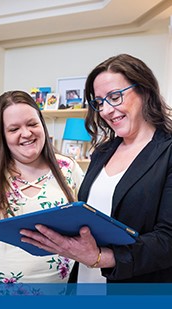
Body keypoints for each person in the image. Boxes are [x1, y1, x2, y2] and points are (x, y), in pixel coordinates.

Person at [20, 54, 172, 283]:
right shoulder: (102, 152)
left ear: (145, 91)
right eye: (100, 102)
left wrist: (102, 257)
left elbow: (167, 240)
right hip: (85, 280)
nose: (106, 110)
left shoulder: (167, 152)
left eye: (115, 97)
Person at [0, 90, 84, 284]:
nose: (26, 133)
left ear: (42, 125)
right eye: (14, 129)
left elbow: (87, 222)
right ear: (2, 135)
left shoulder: (68, 169)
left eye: (32, 124)